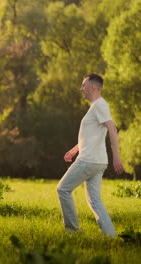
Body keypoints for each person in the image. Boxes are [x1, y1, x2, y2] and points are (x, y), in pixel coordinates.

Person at [56, 73, 124, 237]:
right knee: (94, 200)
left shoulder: (100, 105)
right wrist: (74, 150)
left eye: (84, 85)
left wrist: (116, 155)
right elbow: (91, 135)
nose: (81, 89)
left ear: (93, 87)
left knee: (63, 189)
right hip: (97, 161)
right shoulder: (96, 107)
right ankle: (110, 235)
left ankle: (73, 231)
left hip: (88, 161)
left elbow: (112, 129)